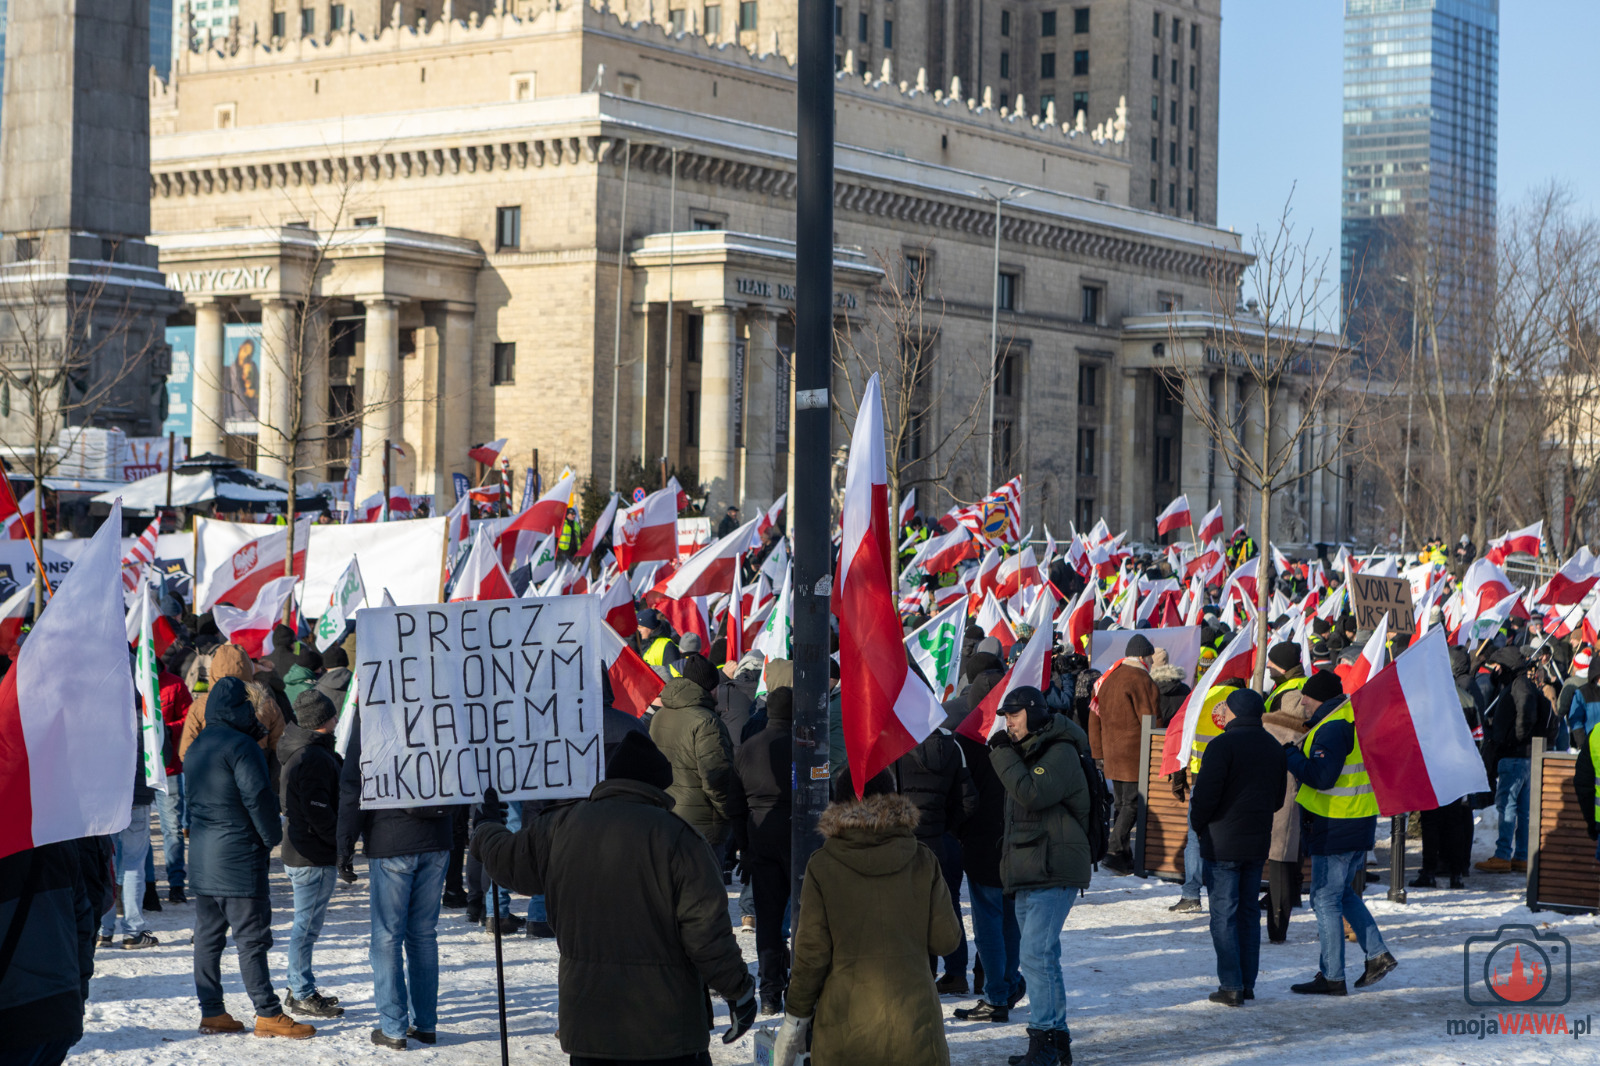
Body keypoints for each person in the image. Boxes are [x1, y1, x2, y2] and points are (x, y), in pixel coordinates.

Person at [472, 731, 758, 1065]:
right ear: (658, 788)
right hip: (666, 1033)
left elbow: (506, 859)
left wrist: (486, 827)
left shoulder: (560, 825)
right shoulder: (680, 838)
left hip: (589, 1028)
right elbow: (707, 935)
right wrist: (738, 990)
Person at [770, 783, 961, 1066]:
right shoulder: (922, 859)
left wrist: (795, 1020)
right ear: (894, 801)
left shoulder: (822, 865)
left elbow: (811, 955)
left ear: (839, 804)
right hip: (915, 1028)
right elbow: (946, 940)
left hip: (845, 1033)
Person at [185, 676, 314, 1038]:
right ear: (243, 708)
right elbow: (257, 797)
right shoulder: (243, 746)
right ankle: (268, 1013)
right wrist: (272, 837)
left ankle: (212, 1011)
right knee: (252, 938)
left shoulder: (197, 746)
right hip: (238, 857)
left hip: (204, 857)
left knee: (208, 938)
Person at [337, 708, 455, 1050]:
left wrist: (344, 844)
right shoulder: (442, 699)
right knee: (423, 935)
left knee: (387, 937)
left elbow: (353, 780)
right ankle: (426, 1024)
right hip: (437, 834)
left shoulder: (375, 706)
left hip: (392, 838)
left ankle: (393, 1028)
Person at [987, 687, 1091, 1066]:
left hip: (1055, 866)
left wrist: (1001, 753)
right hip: (1032, 867)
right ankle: (1056, 1040)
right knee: (1042, 957)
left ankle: (1044, 1040)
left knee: (1035, 955)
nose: (1008, 724)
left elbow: (1031, 793)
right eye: (1005, 717)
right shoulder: (1031, 751)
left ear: (1032, 714)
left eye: (1013, 715)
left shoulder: (1060, 751)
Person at [1283, 686, 1398, 995]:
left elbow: (1322, 778)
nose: (1303, 701)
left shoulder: (1332, 727)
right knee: (1342, 894)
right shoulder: (1355, 721)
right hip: (1357, 822)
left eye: (1307, 696)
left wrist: (1291, 756)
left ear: (1321, 698)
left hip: (1335, 825)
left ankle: (1333, 977)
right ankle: (1377, 955)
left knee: (1324, 899)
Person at [1187, 689, 1286, 1006]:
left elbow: (1205, 796)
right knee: (1247, 914)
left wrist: (1199, 825)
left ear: (1233, 712)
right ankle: (1246, 984)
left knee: (1224, 915)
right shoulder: (1273, 746)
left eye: (1226, 709)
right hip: (1256, 842)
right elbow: (1278, 799)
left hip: (1222, 843)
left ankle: (1231, 985)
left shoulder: (1222, 745)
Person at [952, 671, 1024, 1024]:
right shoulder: (1021, 736)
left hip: (983, 841)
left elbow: (963, 796)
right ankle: (1007, 986)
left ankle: (997, 995)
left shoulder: (966, 739)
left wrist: (962, 832)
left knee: (989, 923)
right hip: (1017, 840)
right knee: (1010, 919)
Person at [892, 713, 978, 995]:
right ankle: (955, 973)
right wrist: (944, 828)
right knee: (947, 907)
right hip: (942, 843)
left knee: (911, 913)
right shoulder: (952, 746)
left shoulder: (894, 745)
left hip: (905, 844)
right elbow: (968, 800)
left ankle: (923, 976)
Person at [0, 839, 100, 1066]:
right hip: (57, 1008)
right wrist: (76, 998)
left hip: (18, 1014)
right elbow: (85, 924)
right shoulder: (56, 836)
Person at [277, 690, 345, 1019]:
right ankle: (301, 992)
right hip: (311, 856)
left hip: (302, 851)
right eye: (332, 714)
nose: (338, 718)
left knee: (305, 926)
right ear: (322, 720)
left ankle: (298, 986)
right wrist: (339, 843)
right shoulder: (312, 756)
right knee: (305, 929)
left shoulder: (304, 749)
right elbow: (317, 810)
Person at [1261, 670, 1337, 940]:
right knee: (1283, 865)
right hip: (1289, 810)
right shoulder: (1304, 735)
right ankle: (1277, 929)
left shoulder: (1264, 729)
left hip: (1258, 807)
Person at [735, 685, 795, 1014]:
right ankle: (802, 987)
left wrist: (744, 846)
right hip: (799, 836)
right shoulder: (807, 747)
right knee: (806, 917)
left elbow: (735, 801)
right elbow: (823, 791)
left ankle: (770, 992)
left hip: (760, 836)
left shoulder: (748, 748)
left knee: (768, 920)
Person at [1087, 633, 1160, 875]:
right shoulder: (1140, 678)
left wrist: (1098, 752)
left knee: (1121, 804)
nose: (1151, 661)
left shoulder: (1108, 678)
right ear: (1142, 657)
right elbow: (1151, 719)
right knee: (1133, 804)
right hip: (1133, 753)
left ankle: (1123, 856)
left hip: (1112, 752)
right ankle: (1114, 850)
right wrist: (1159, 748)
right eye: (1149, 656)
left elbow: (1094, 718)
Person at [649, 676, 747, 847]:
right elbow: (716, 777)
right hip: (702, 824)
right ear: (712, 689)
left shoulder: (659, 716)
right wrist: (729, 812)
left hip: (667, 815)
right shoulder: (707, 721)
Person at [1413, 649, 1482, 889]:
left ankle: (1429, 872)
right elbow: (1478, 737)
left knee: (1431, 822)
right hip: (1458, 768)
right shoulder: (1467, 698)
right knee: (1455, 821)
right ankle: (1456, 874)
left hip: (1433, 768)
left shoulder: (1425, 700)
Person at [1475, 646, 1544, 874]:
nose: (1495, 670)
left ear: (1507, 666)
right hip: (1522, 756)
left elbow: (1526, 715)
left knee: (1508, 806)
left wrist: (1514, 739)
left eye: (1498, 666)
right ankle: (1521, 856)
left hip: (1514, 756)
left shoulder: (1519, 685)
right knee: (1521, 808)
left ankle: (1503, 855)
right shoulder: (1519, 683)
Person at [98, 720, 160, 950]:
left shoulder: (102, 714)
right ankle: (132, 931)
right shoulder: (147, 717)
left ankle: (103, 930)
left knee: (106, 863)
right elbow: (162, 752)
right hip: (138, 795)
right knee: (134, 863)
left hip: (106, 797)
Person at [157, 665, 194, 904]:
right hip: (136, 770)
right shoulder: (126, 680)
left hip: (168, 767)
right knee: (135, 830)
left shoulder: (174, 683)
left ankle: (176, 884)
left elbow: (188, 718)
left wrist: (166, 730)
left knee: (172, 827)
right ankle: (147, 887)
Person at [1263, 642, 1308, 715]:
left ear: (1283, 667)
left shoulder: (1289, 694)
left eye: (1272, 661)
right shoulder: (1306, 681)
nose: (1268, 665)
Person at [635, 608, 680, 681]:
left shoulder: (668, 646)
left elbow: (674, 674)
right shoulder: (645, 644)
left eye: (641, 627)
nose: (638, 630)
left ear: (650, 627)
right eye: (637, 627)